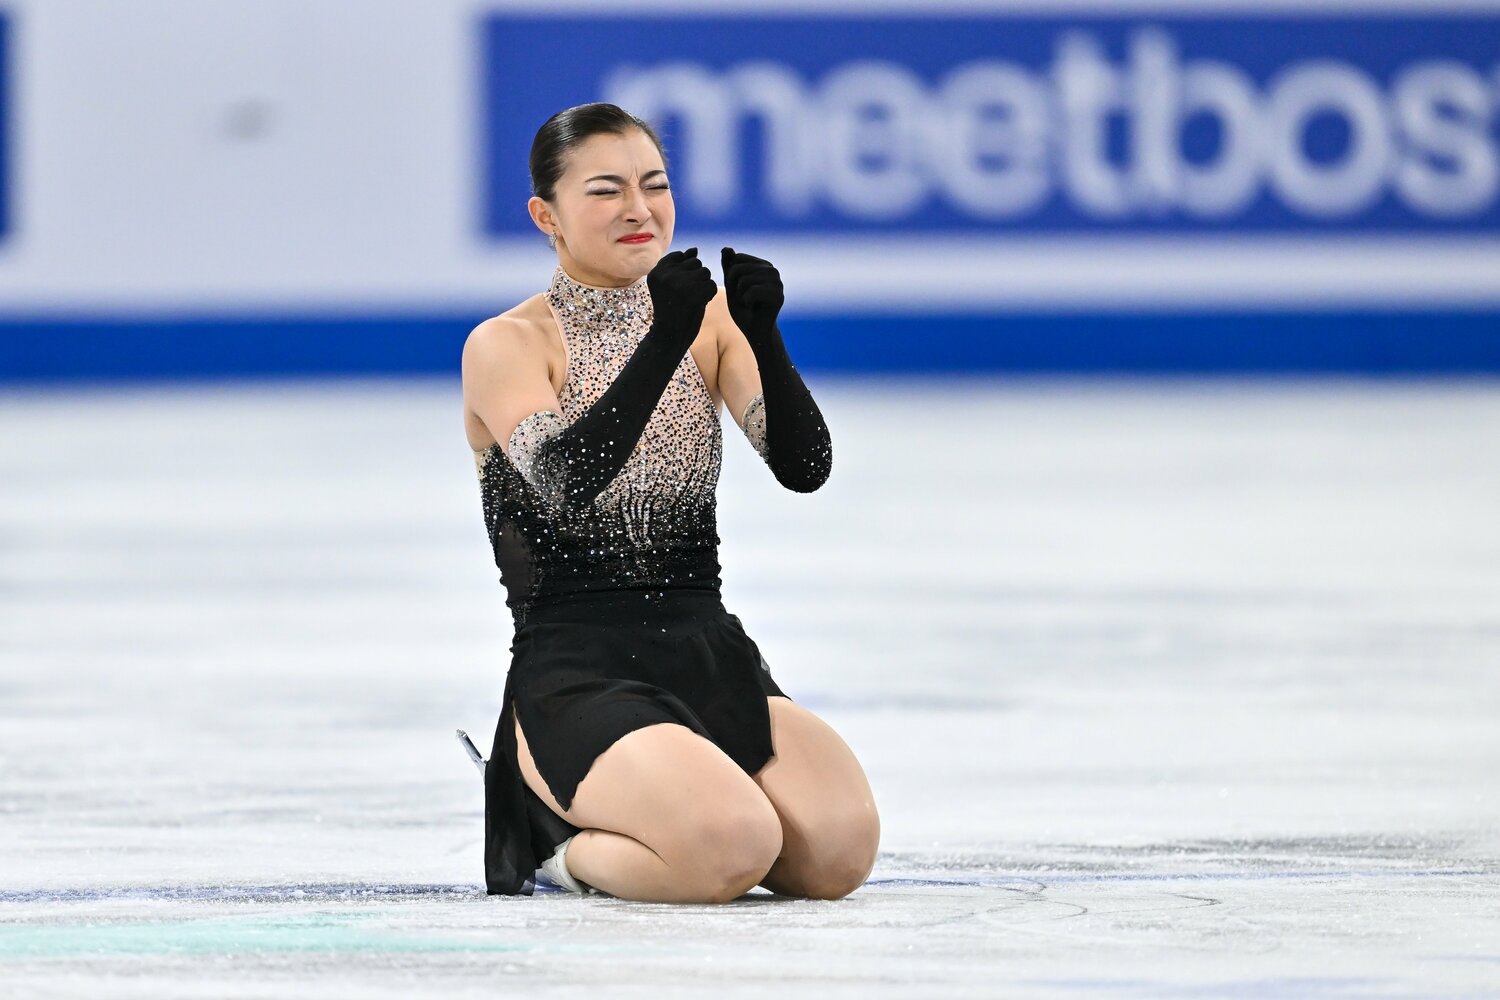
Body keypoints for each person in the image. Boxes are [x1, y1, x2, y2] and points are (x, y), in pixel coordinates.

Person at [461, 102, 879, 903]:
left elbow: (805, 466)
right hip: (576, 672)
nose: (639, 208)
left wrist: (766, 337)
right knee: (730, 847)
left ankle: (672, 794)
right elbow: (566, 480)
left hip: (706, 650)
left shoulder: (706, 322)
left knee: (835, 857)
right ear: (545, 215)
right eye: (606, 190)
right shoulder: (507, 345)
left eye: (654, 184)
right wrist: (661, 338)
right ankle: (552, 842)